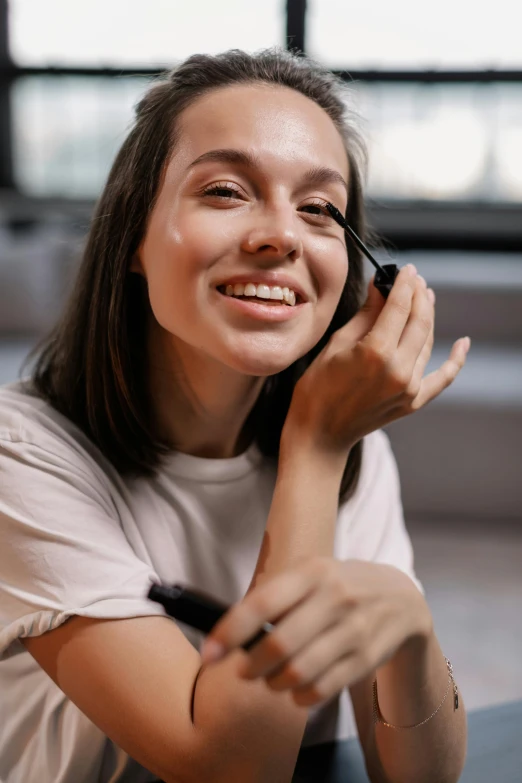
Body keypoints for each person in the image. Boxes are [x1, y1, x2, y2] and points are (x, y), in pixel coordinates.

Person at [0, 48, 469, 783]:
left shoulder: (352, 445)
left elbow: (417, 776)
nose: (280, 235)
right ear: (132, 239)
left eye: (320, 208)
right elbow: (232, 770)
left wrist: (410, 632)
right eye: (224, 191)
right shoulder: (17, 454)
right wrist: (314, 447)